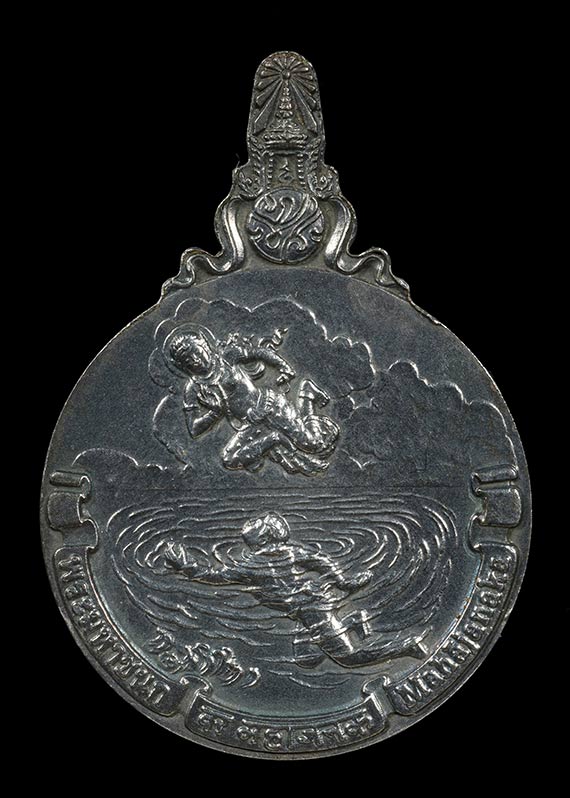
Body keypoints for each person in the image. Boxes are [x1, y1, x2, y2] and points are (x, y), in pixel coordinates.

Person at [162, 512, 427, 668]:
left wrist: (185, 566)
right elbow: (319, 560)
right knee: (307, 660)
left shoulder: (251, 564)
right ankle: (353, 621)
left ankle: (406, 646)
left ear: (260, 538)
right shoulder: (279, 555)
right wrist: (342, 580)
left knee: (348, 659)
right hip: (304, 610)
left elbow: (215, 576)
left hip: (313, 609)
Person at [164, 325, 339, 475]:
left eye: (197, 352)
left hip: (268, 406)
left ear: (205, 345)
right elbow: (194, 429)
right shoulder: (193, 388)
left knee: (313, 444)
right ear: (182, 366)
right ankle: (275, 438)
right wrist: (215, 412)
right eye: (188, 361)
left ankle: (306, 394)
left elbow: (259, 353)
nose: (196, 360)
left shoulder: (227, 357)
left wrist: (283, 366)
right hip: (249, 424)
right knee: (229, 459)